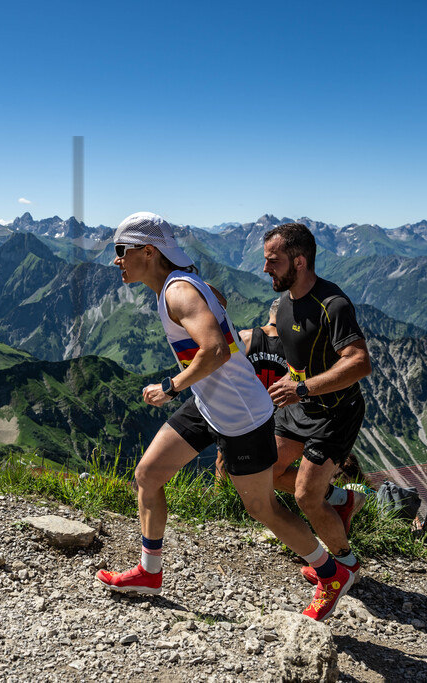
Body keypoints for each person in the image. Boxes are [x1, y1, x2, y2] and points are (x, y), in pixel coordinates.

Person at [95, 212, 356, 621]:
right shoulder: (183, 283)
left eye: (120, 251)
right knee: (148, 474)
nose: (116, 260)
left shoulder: (178, 292)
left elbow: (214, 350)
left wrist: (170, 386)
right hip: (207, 403)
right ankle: (149, 572)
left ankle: (332, 573)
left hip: (242, 416)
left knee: (263, 508)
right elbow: (219, 301)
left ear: (149, 252)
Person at [261, 223, 372, 587]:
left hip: (334, 413)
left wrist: (303, 388)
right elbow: (270, 334)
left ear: (300, 261)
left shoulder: (333, 304)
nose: (265, 269)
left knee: (306, 496)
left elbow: (358, 362)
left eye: (272, 261)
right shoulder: (282, 304)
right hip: (298, 407)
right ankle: (339, 500)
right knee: (267, 473)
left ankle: (346, 565)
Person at [214, 298, 287, 481]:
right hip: (274, 416)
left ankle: (222, 501)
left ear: (270, 313)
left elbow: (225, 371)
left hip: (242, 411)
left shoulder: (245, 337)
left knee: (224, 458)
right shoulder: (293, 347)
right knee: (267, 463)